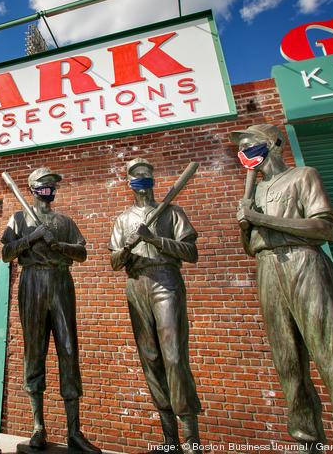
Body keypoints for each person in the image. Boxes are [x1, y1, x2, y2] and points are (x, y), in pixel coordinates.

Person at [231, 124, 333, 452]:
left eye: (249, 144)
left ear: (272, 143)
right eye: (240, 148)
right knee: (287, 363)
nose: (243, 152)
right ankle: (306, 441)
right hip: (267, 269)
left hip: (305, 263)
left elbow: (324, 227)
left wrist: (262, 219)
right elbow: (251, 245)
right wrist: (247, 224)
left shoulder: (303, 176)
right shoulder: (253, 192)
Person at [0, 167, 102, 453]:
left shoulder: (64, 221)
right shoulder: (19, 218)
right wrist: (32, 237)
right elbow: (7, 253)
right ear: (33, 188)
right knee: (35, 351)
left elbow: (82, 253)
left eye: (53, 185)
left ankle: (74, 431)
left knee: (68, 350)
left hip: (60, 282)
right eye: (45, 185)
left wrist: (59, 244)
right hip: (32, 281)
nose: (51, 189)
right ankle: (38, 427)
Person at [109, 158, 202, 452]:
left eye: (147, 176)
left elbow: (191, 253)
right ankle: (170, 439)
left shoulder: (173, 212)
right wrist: (127, 248)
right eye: (136, 177)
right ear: (129, 182)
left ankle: (191, 438)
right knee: (150, 358)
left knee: (173, 356)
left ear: (153, 179)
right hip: (136, 283)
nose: (142, 181)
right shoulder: (123, 220)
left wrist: (156, 240)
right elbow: (113, 261)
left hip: (166, 280)